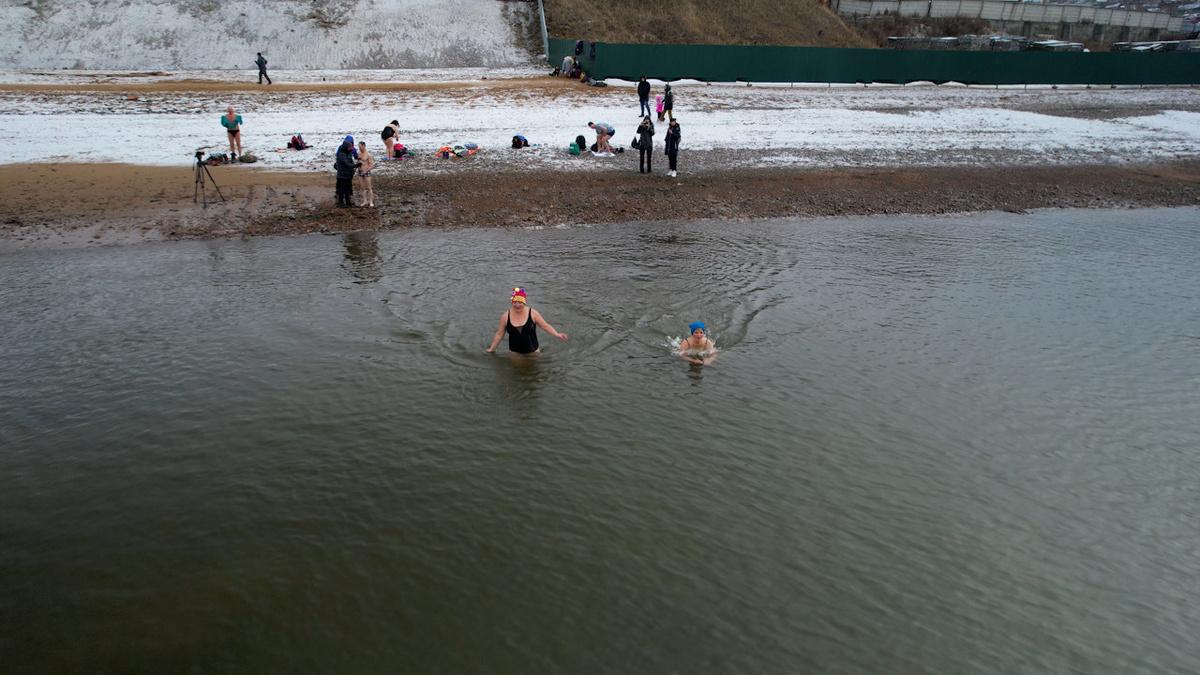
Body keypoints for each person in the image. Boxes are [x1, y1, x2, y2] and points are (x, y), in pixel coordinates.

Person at [486, 288, 568, 356]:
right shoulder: (505, 316)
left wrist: (557, 334)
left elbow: (545, 326)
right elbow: (500, 333)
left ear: (524, 302)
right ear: (512, 302)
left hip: (533, 353)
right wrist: (491, 349)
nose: (517, 305)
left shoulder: (533, 313)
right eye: (515, 302)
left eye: (520, 302)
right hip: (515, 353)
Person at [334, 136, 358, 207]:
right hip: (342, 175)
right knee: (342, 189)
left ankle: (348, 202)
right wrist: (355, 166)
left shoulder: (348, 153)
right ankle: (341, 202)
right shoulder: (341, 154)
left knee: (348, 189)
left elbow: (351, 161)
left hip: (348, 174)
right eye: (349, 147)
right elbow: (346, 163)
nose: (350, 149)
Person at [356, 141, 375, 207]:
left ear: (364, 146)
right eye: (359, 147)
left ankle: (371, 201)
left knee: (368, 187)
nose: (360, 148)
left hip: (366, 171)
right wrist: (355, 169)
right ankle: (364, 201)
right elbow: (358, 162)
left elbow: (372, 165)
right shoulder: (359, 154)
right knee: (362, 187)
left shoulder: (368, 155)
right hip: (360, 171)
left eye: (360, 147)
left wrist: (366, 171)